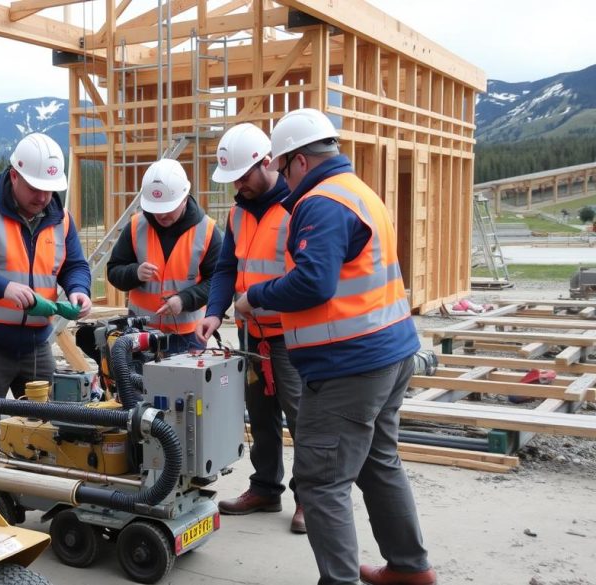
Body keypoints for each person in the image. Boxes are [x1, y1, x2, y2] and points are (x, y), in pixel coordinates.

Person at [242, 108, 433, 585]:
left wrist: (256, 298)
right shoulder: (358, 191)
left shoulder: (320, 202)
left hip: (349, 364)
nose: (283, 179)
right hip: (389, 352)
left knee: (320, 482)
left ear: (300, 161)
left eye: (283, 167)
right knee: (377, 461)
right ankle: (409, 568)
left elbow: (314, 283)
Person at [0, 133, 93, 443]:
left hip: (37, 344)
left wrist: (79, 289)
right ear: (14, 176)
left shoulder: (61, 220)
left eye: (49, 190)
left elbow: (74, 265)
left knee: (47, 432)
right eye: (35, 189)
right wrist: (2, 288)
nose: (43, 198)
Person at [194, 123, 305, 534]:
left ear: (268, 163)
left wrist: (257, 300)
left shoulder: (297, 207)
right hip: (251, 335)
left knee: (302, 420)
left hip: (291, 336)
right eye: (233, 179)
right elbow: (227, 268)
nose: (238, 185)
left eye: (243, 176)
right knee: (260, 417)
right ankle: (265, 487)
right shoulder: (239, 211)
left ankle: (308, 499)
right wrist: (213, 310)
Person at [106, 158, 222, 348]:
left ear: (184, 199)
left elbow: (218, 282)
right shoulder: (136, 226)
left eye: (168, 209)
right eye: (155, 209)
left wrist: (184, 300)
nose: (161, 215)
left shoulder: (207, 231)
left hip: (188, 337)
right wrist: (134, 273)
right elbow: (113, 271)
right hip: (141, 335)